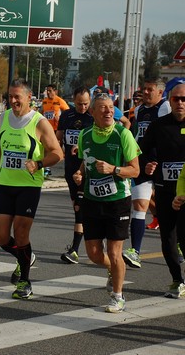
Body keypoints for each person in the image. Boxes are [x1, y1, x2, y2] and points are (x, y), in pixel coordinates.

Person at [0, 79, 63, 299]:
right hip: (7, 184)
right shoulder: (4, 117)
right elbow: (3, 144)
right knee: (0, 236)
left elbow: (58, 153)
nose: (12, 101)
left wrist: (38, 164)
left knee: (21, 233)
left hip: (29, 185)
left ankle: (25, 281)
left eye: (17, 97)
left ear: (29, 98)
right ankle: (25, 257)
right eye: (10, 96)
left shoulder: (38, 122)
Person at [72, 92, 140, 313]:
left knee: (114, 250)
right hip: (92, 200)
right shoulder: (85, 135)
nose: (109, 111)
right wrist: (80, 174)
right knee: (93, 253)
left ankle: (118, 295)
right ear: (92, 112)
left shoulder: (123, 135)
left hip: (117, 200)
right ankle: (112, 268)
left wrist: (114, 169)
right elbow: (85, 161)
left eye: (111, 107)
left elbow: (135, 170)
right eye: (103, 108)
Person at [140, 82, 185, 298]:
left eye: (184, 99)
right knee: (168, 238)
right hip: (165, 190)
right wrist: (148, 163)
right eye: (176, 99)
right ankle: (177, 280)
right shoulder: (158, 126)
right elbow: (142, 152)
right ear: (169, 100)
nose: (180, 103)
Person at [123, 78, 170, 269]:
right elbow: (136, 136)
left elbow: (170, 138)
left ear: (160, 92)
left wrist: (158, 162)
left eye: (150, 90)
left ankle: (177, 244)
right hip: (142, 164)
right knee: (139, 206)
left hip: (162, 165)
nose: (146, 93)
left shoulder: (165, 107)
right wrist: (130, 156)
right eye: (144, 89)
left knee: (170, 210)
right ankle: (135, 251)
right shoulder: (140, 109)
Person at [57, 87, 94, 264]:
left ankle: (75, 250)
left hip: (88, 168)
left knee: (80, 206)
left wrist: (84, 146)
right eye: (79, 103)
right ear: (74, 100)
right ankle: (92, 238)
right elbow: (59, 136)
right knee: (77, 206)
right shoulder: (66, 116)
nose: (83, 107)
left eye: (86, 103)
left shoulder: (95, 116)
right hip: (70, 168)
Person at [40, 84, 69, 176]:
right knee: (45, 148)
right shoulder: (44, 101)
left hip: (57, 129)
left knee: (56, 149)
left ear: (55, 91)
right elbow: (40, 113)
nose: (48, 93)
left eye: (50, 91)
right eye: (47, 91)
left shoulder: (59, 101)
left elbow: (68, 112)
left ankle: (59, 168)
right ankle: (47, 168)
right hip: (47, 129)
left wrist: (60, 118)